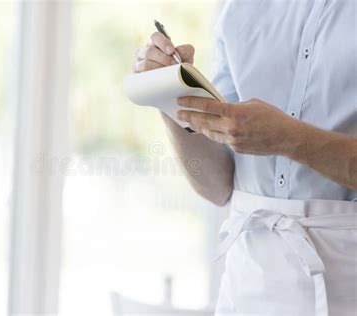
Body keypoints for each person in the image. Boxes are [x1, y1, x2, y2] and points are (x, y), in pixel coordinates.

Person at [133, 1, 357, 315]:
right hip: (247, 283)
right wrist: (170, 97)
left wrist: (289, 137)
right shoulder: (239, 10)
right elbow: (218, 186)